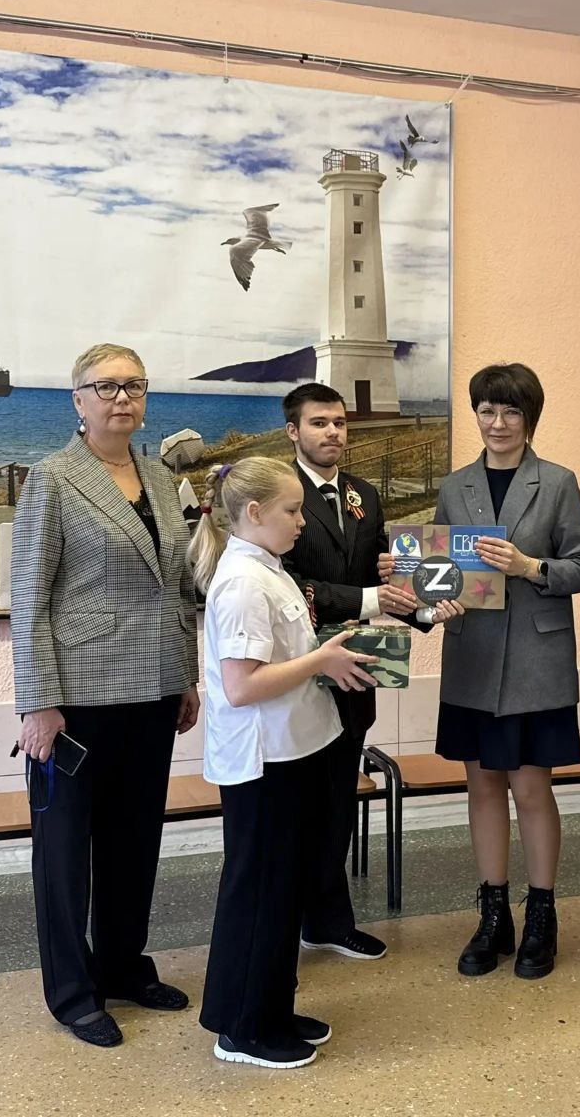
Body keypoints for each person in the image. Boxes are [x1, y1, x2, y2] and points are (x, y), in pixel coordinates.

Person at [11, 343, 200, 1048]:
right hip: (77, 699)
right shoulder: (53, 478)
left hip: (151, 691)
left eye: (134, 385)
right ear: (78, 401)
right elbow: (29, 598)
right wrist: (37, 702)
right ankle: (72, 993)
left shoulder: (160, 479)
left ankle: (122, 966)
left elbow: (177, 590)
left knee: (133, 843)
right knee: (65, 855)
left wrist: (185, 676)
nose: (122, 397)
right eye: (106, 386)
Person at [189, 457, 380, 1070]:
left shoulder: (269, 569)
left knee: (284, 888)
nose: (302, 521)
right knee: (261, 891)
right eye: (293, 511)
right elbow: (242, 685)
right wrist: (322, 661)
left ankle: (272, 1007)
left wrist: (334, 653)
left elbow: (287, 655)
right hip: (263, 760)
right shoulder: (243, 582)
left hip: (293, 750)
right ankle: (243, 1029)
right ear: (253, 513)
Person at [431, 363, 580, 979]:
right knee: (482, 788)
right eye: (487, 410)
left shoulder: (558, 482)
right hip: (472, 659)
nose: (497, 423)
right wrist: (417, 582)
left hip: (534, 662)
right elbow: (439, 573)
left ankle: (542, 914)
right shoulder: (455, 487)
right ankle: (493, 914)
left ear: (530, 418)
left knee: (530, 790)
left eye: (511, 411)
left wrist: (528, 566)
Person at [281, 383, 424, 961]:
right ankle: (284, 922)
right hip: (295, 676)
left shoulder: (364, 494)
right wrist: (369, 597)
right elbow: (291, 584)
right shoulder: (278, 494)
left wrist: (425, 604)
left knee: (339, 800)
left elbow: (384, 577)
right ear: (293, 431)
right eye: (319, 423)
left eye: (339, 422)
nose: (333, 432)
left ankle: (328, 920)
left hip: (356, 673)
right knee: (298, 806)